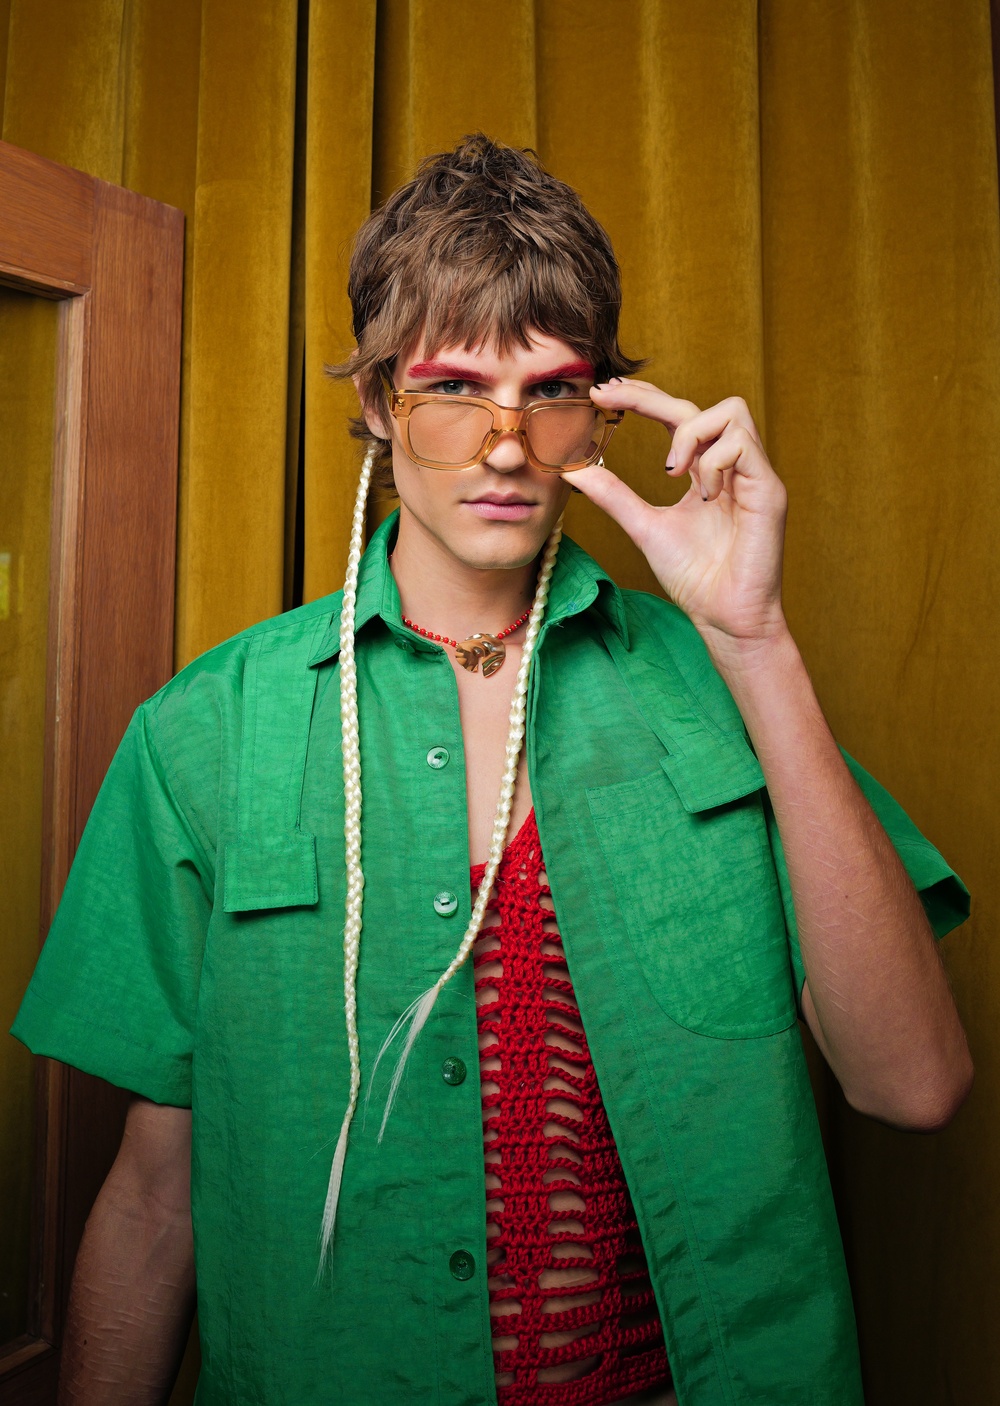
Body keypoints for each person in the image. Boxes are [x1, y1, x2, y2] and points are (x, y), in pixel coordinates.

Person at [13, 135, 972, 1406]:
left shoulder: (715, 688)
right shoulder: (208, 729)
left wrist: (755, 639)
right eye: (454, 388)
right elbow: (152, 1194)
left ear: (604, 411)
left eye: (552, 390)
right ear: (376, 400)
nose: (507, 446)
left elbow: (912, 1084)